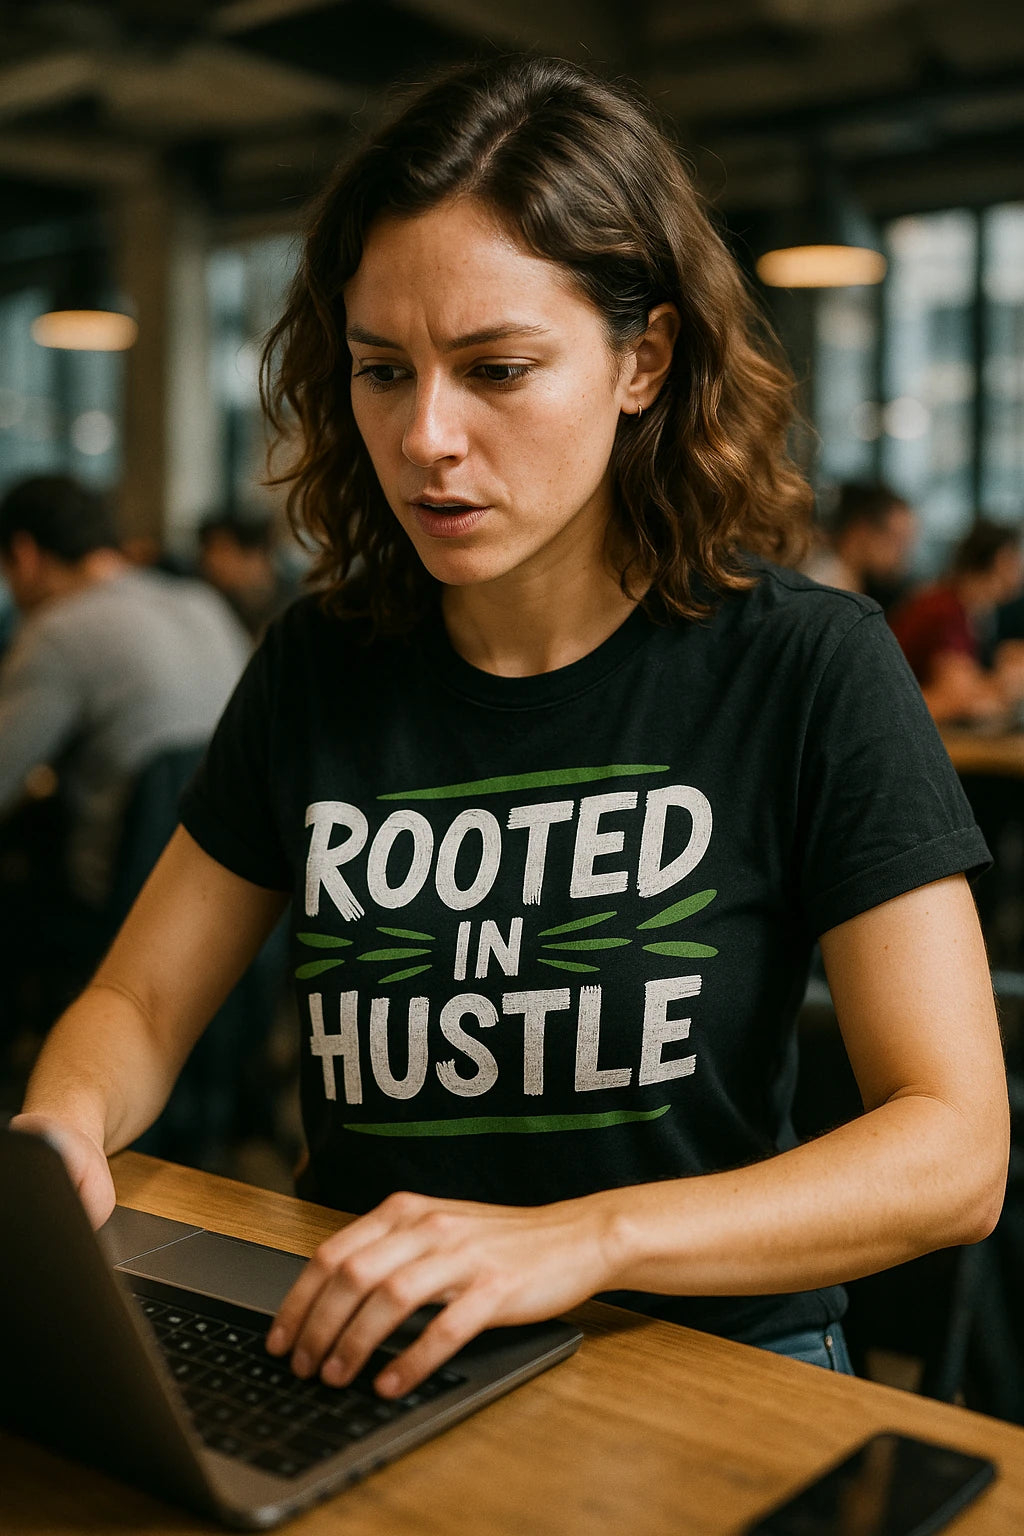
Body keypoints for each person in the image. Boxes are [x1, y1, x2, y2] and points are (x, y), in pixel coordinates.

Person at [11, 56, 1007, 1396]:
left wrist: (584, 1240)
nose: (426, 434)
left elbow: (954, 1151)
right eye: (382, 370)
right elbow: (137, 1003)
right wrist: (63, 1129)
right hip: (368, 1354)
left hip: (704, 1369)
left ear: (643, 359)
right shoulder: (321, 661)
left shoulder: (805, 664)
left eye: (497, 368)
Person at [0, 475, 251, 916]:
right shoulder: (201, 601)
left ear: (24, 553)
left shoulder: (57, 629)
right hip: (237, 894)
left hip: (121, 904)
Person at [889, 518, 1024, 725]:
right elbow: (958, 696)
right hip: (899, 725)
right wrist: (1005, 680)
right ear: (1002, 559)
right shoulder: (944, 610)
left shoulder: (971, 608)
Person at [803, 480, 918, 609]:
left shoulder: (846, 580)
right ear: (862, 530)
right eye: (897, 541)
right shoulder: (831, 583)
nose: (901, 557)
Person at [196, 511, 299, 639]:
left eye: (223, 550)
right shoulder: (212, 603)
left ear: (254, 554)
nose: (211, 562)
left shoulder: (296, 605)